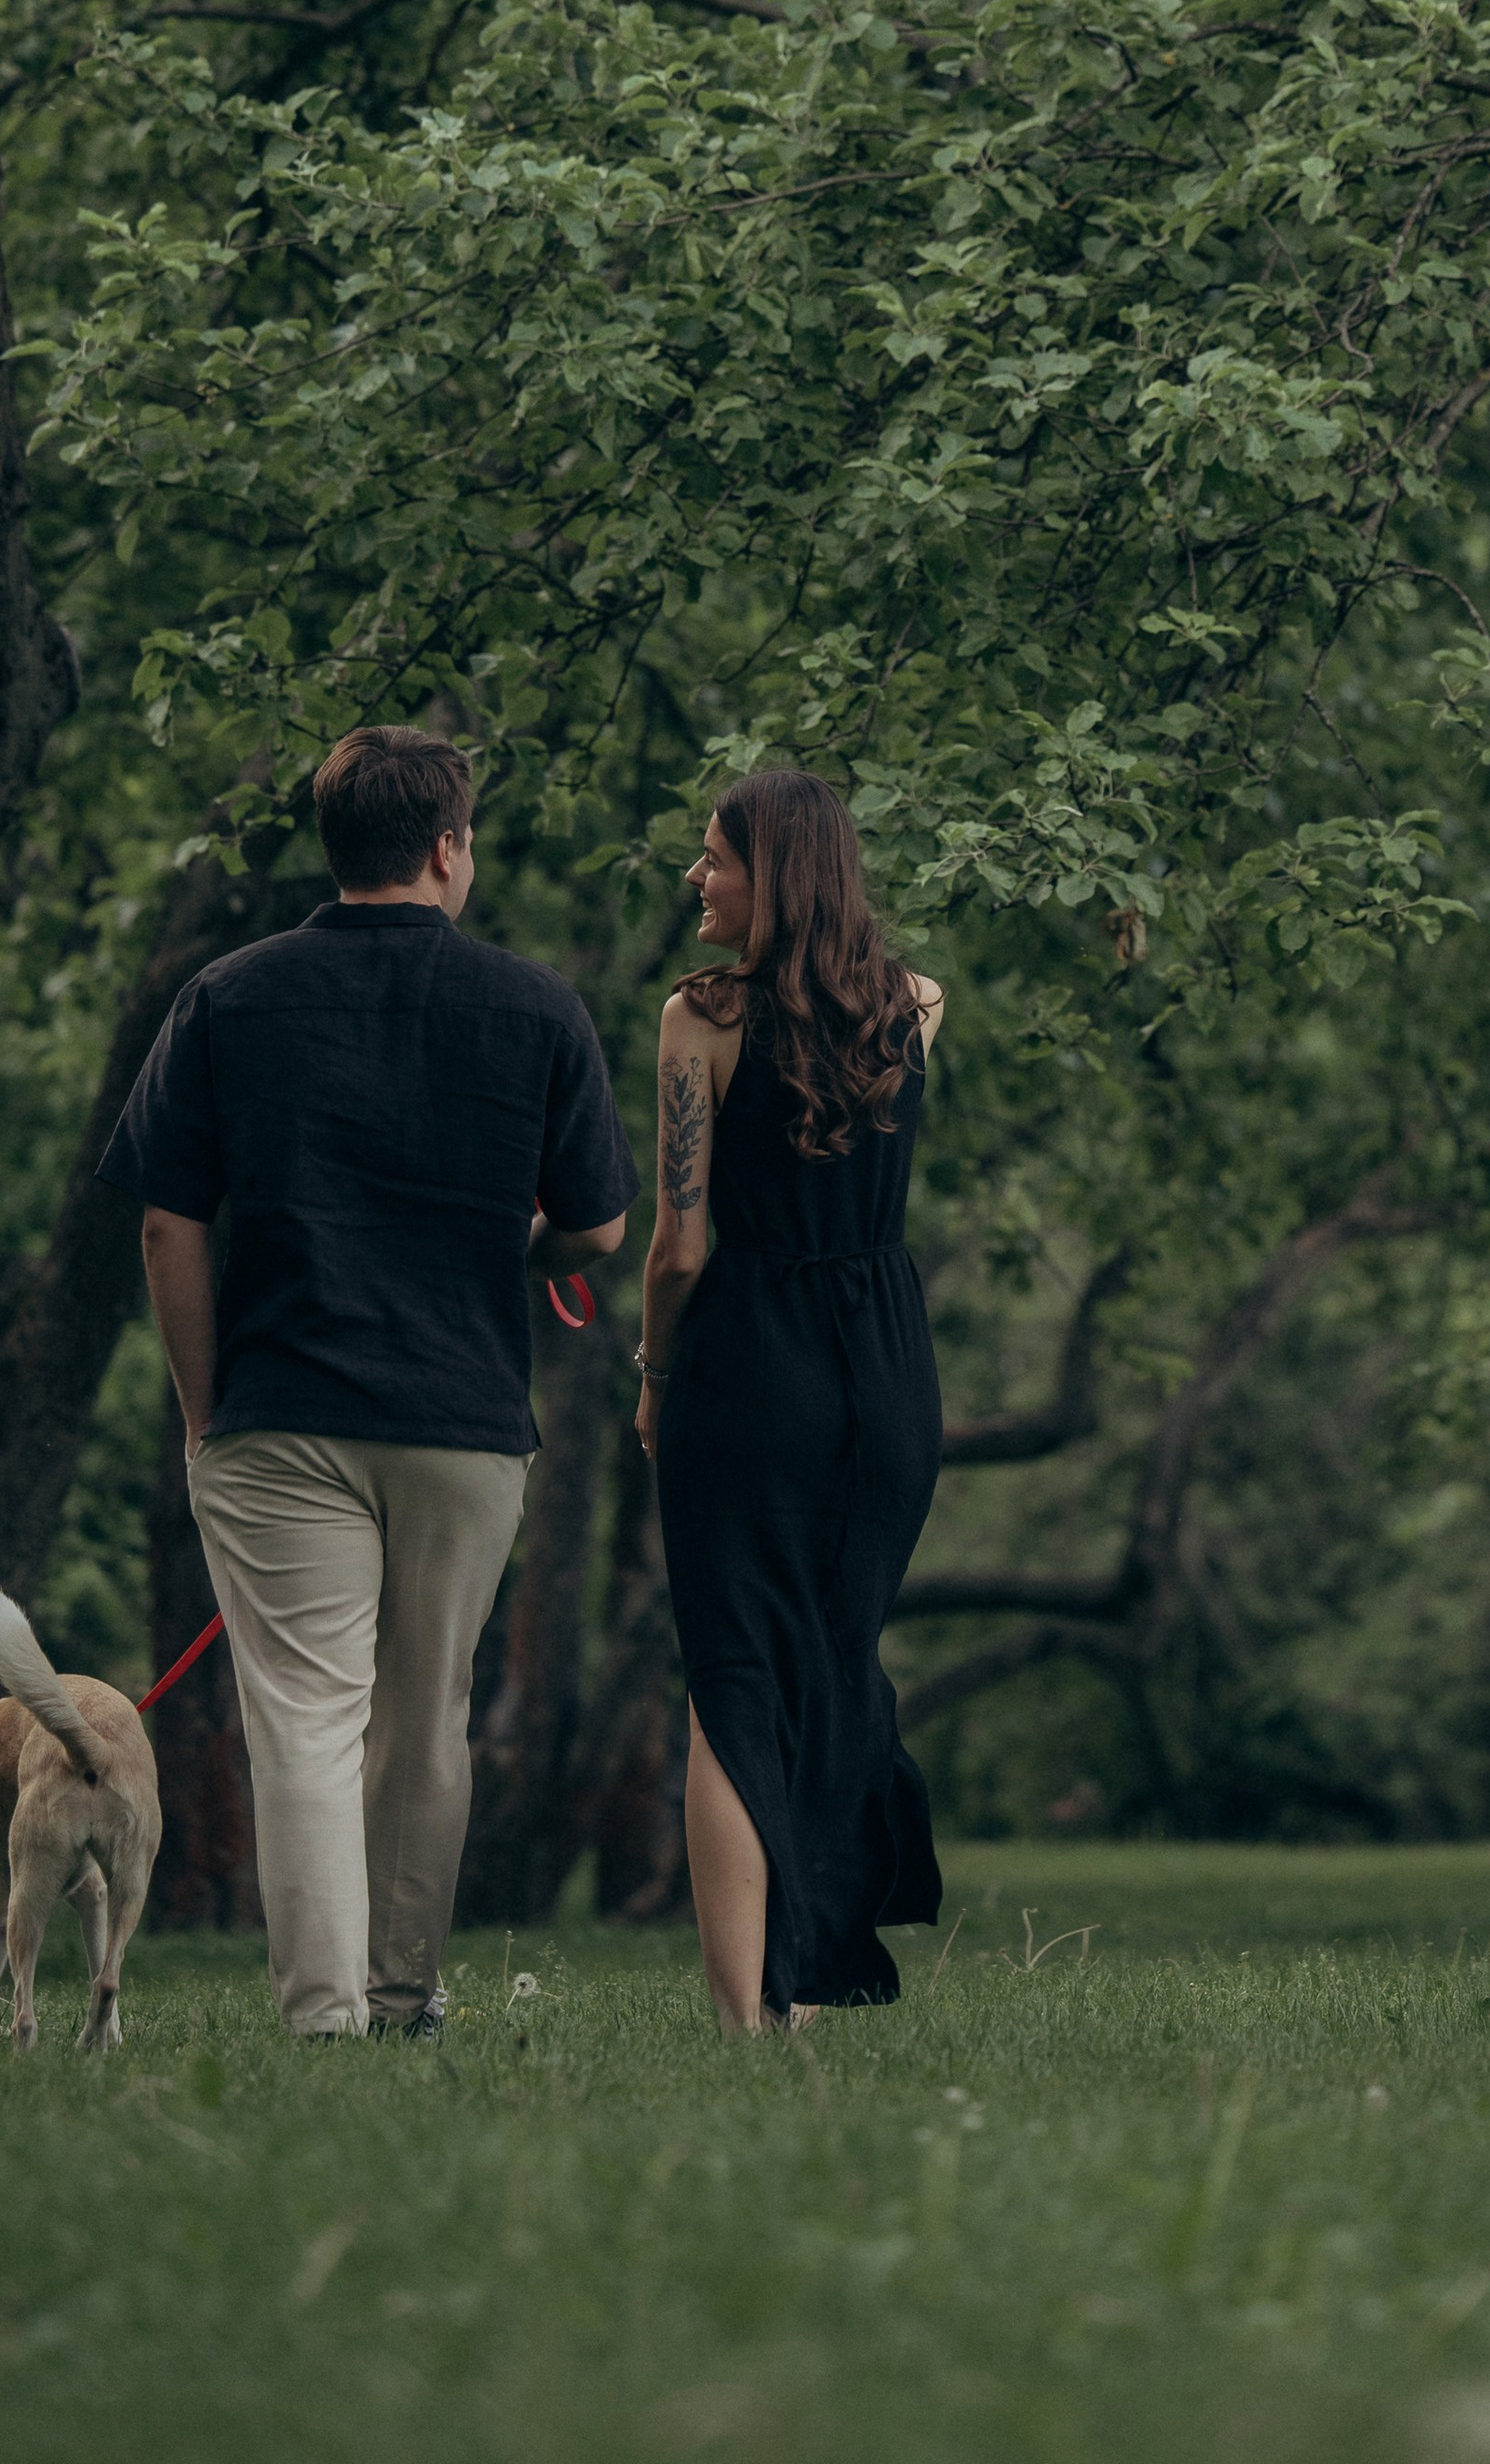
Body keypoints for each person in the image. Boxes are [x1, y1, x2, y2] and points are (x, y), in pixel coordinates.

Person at [102, 726, 632, 2037]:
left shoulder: (227, 996)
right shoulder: (537, 1007)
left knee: (303, 1723)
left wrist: (202, 1411)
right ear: (448, 848)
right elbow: (599, 1227)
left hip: (280, 1412)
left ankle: (323, 2015)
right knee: (426, 1721)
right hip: (462, 1419)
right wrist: (521, 1242)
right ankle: (399, 1996)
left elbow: (167, 1224)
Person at [636, 767, 947, 2031]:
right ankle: (808, 1989)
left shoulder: (699, 1018)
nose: (695, 878)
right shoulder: (918, 1006)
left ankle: (745, 2016)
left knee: (732, 1682)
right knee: (830, 1662)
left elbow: (677, 1249)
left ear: (776, 876)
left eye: (714, 858)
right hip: (887, 1371)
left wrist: (654, 1379)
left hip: (749, 1367)